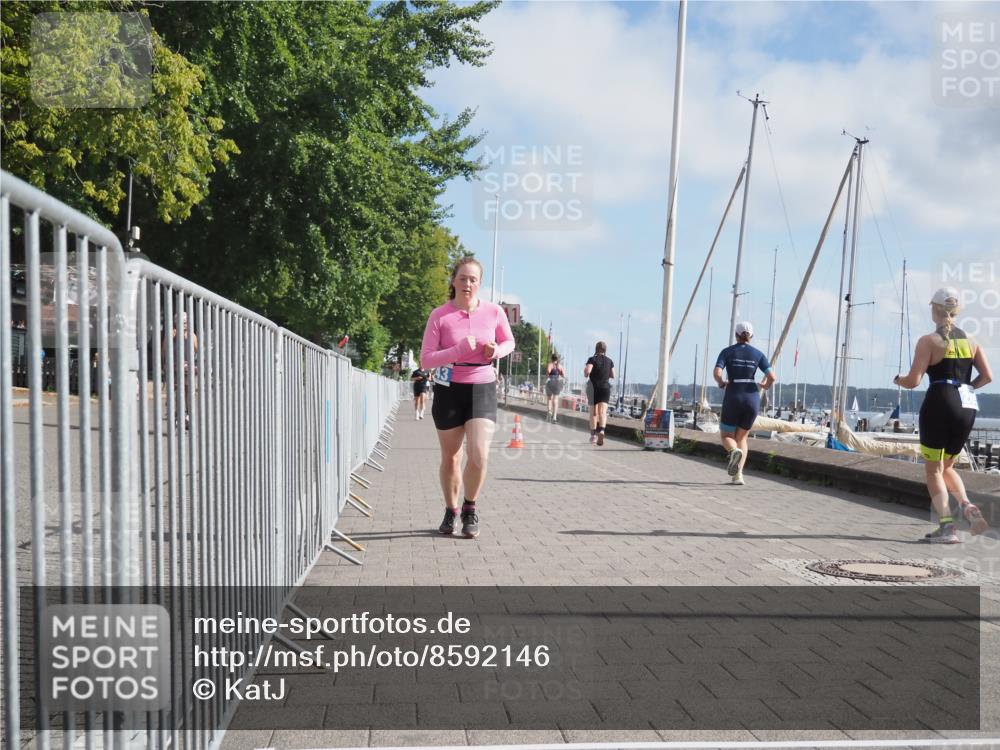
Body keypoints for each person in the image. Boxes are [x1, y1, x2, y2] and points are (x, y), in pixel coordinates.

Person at [420, 256, 514, 539]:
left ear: (480, 283)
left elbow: (509, 342)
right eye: (463, 278)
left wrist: (495, 351)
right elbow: (426, 359)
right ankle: (451, 510)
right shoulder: (440, 315)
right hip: (449, 389)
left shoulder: (494, 312)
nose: (468, 284)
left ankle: (470, 508)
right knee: (451, 458)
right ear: (453, 281)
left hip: (482, 385)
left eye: (473, 279)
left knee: (479, 455)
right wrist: (457, 350)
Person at [894, 287, 992, 543]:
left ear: (934, 310)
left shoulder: (928, 341)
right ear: (956, 312)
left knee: (933, 471)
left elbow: (914, 381)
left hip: (939, 402)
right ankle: (967, 505)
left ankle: (947, 527)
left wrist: (899, 380)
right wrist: (968, 388)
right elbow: (988, 376)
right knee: (947, 465)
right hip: (966, 405)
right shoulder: (972, 340)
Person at [713, 321, 776, 486]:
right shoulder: (758, 354)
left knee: (727, 436)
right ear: (751, 336)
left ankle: (733, 452)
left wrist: (721, 382)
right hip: (752, 397)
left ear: (736, 335)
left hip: (733, 394)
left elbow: (717, 372)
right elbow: (772, 377)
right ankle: (738, 476)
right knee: (742, 438)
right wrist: (765, 386)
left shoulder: (727, 352)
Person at [584, 342, 615, 445]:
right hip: (605, 388)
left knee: (593, 413)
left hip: (593, 388)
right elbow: (613, 375)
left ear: (596, 349)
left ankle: (593, 436)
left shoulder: (592, 359)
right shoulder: (609, 361)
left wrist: (585, 372)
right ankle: (602, 430)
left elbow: (588, 371)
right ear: (605, 350)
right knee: (603, 412)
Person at [545, 353, 565, 423]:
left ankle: (549, 411)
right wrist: (559, 371)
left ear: (552, 358)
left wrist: (548, 368)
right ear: (558, 359)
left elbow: (548, 373)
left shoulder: (550, 364)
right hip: (557, 382)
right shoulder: (560, 366)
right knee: (555, 399)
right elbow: (563, 375)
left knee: (549, 398)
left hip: (550, 382)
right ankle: (554, 417)